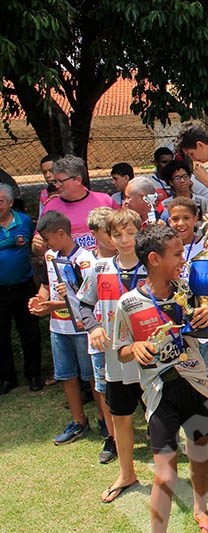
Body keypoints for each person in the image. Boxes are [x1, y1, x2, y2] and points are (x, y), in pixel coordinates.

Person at [112, 224, 208, 533]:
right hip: (159, 393)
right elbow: (121, 351)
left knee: (199, 449)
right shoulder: (128, 303)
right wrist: (135, 347)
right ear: (154, 259)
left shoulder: (190, 292)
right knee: (166, 472)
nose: (183, 261)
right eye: (177, 254)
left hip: (194, 385)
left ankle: (201, 509)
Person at [78, 208, 145, 503]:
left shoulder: (152, 264)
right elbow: (83, 304)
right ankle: (126, 473)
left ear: (140, 232)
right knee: (121, 417)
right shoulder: (99, 269)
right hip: (116, 359)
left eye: (130, 233)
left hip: (150, 356)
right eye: (118, 234)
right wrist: (93, 327)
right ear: (108, 237)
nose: (125, 240)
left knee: (161, 417)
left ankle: (169, 472)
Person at [29, 211, 98, 445]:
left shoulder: (85, 259)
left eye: (47, 239)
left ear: (61, 233)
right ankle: (79, 421)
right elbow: (46, 285)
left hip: (83, 329)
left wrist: (54, 305)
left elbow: (87, 298)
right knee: (67, 375)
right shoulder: (49, 256)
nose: (46, 244)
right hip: (58, 327)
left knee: (92, 377)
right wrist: (40, 300)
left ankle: (105, 421)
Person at [75, 207, 117, 463]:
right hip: (101, 339)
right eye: (107, 232)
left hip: (130, 339)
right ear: (94, 234)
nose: (113, 237)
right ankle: (112, 437)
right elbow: (84, 302)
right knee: (103, 389)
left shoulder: (133, 261)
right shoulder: (90, 264)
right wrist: (93, 327)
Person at [0, 183, 43, 393]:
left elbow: (36, 246)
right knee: (1, 334)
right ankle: (7, 377)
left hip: (24, 285)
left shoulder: (24, 221)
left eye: (0, 201)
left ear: (10, 203)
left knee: (30, 331)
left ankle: (34, 374)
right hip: (0, 289)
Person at [36, 155, 114, 252]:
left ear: (77, 180)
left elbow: (122, 230)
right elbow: (40, 245)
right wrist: (38, 245)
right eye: (55, 181)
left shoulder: (105, 201)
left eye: (60, 181)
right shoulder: (51, 207)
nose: (56, 186)